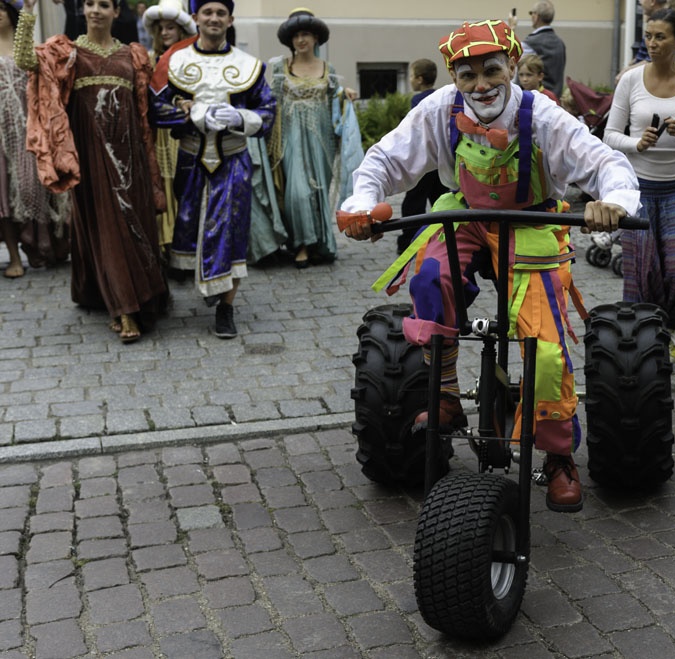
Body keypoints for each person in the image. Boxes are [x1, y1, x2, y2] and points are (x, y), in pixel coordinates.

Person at [340, 19, 639, 511]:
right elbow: (385, 160)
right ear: (454, 78)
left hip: (532, 222)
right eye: (466, 74)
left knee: (543, 343)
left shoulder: (542, 113)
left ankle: (559, 455)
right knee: (431, 278)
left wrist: (616, 200)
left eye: (491, 70)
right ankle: (448, 395)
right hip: (467, 215)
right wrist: (361, 202)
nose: (480, 84)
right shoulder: (441, 108)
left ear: (513, 67)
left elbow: (605, 163)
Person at [15, 0, 169, 343]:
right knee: (107, 226)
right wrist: (27, 12)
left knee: (136, 223)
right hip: (90, 152)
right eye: (89, 4)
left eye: (104, 5)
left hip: (131, 156)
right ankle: (125, 308)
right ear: (82, 10)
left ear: (117, 12)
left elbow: (145, 110)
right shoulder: (66, 52)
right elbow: (27, 61)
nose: (95, 10)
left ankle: (130, 293)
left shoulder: (133, 55)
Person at [149, 0, 276, 338]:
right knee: (189, 227)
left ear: (230, 19)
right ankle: (204, 286)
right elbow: (153, 109)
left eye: (221, 13)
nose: (214, 18)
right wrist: (189, 115)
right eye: (208, 12)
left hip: (233, 161)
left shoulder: (248, 65)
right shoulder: (175, 61)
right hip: (190, 162)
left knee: (232, 230)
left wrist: (241, 118)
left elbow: (268, 114)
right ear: (195, 18)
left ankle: (226, 308)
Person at [604, 8, 675, 361]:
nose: (651, 43)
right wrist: (636, 144)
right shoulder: (631, 80)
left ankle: (670, 329)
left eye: (660, 37)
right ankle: (641, 339)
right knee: (642, 271)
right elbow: (609, 135)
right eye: (649, 36)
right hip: (639, 189)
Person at [269, 8, 361, 268]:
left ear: (316, 38)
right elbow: (269, 102)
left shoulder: (327, 68)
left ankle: (319, 243)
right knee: (297, 192)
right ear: (290, 39)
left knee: (318, 190)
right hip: (290, 140)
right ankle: (300, 245)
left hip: (321, 140)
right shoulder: (280, 67)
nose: (301, 40)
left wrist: (346, 93)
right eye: (296, 34)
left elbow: (335, 98)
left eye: (306, 34)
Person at [0, 0, 68, 279]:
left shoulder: (24, 47)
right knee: (2, 196)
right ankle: (14, 256)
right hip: (0, 134)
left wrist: (29, 10)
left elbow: (34, 68)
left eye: (1, 8)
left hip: (27, 129)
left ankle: (42, 245)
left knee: (32, 188)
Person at [143, 0, 196, 261]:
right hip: (158, 132)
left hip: (178, 133)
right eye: (161, 28)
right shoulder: (149, 59)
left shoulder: (189, 59)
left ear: (181, 32)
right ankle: (164, 244)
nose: (165, 33)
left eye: (170, 28)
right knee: (161, 183)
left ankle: (182, 244)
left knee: (180, 184)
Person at [396, 58, 447, 254]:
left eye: (410, 75)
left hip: (424, 159)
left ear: (419, 79)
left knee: (413, 200)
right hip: (439, 159)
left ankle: (410, 238)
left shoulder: (417, 100)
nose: (409, 80)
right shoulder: (439, 97)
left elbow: (415, 130)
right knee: (439, 197)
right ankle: (444, 234)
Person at [512, 1, 565, 97]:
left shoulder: (531, 43)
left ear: (536, 16)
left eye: (531, 13)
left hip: (535, 99)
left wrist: (512, 28)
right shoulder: (560, 43)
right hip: (555, 98)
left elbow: (513, 61)